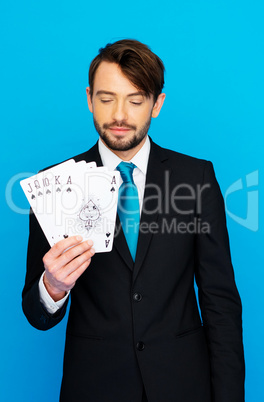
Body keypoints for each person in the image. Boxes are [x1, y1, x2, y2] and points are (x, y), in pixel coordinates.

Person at [22, 39, 245, 402]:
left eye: (136, 100)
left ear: (157, 104)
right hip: (94, 386)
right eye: (107, 99)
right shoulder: (53, 185)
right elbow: (36, 313)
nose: (120, 115)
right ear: (89, 98)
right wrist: (53, 287)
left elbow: (220, 300)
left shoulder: (196, 178)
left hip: (183, 384)